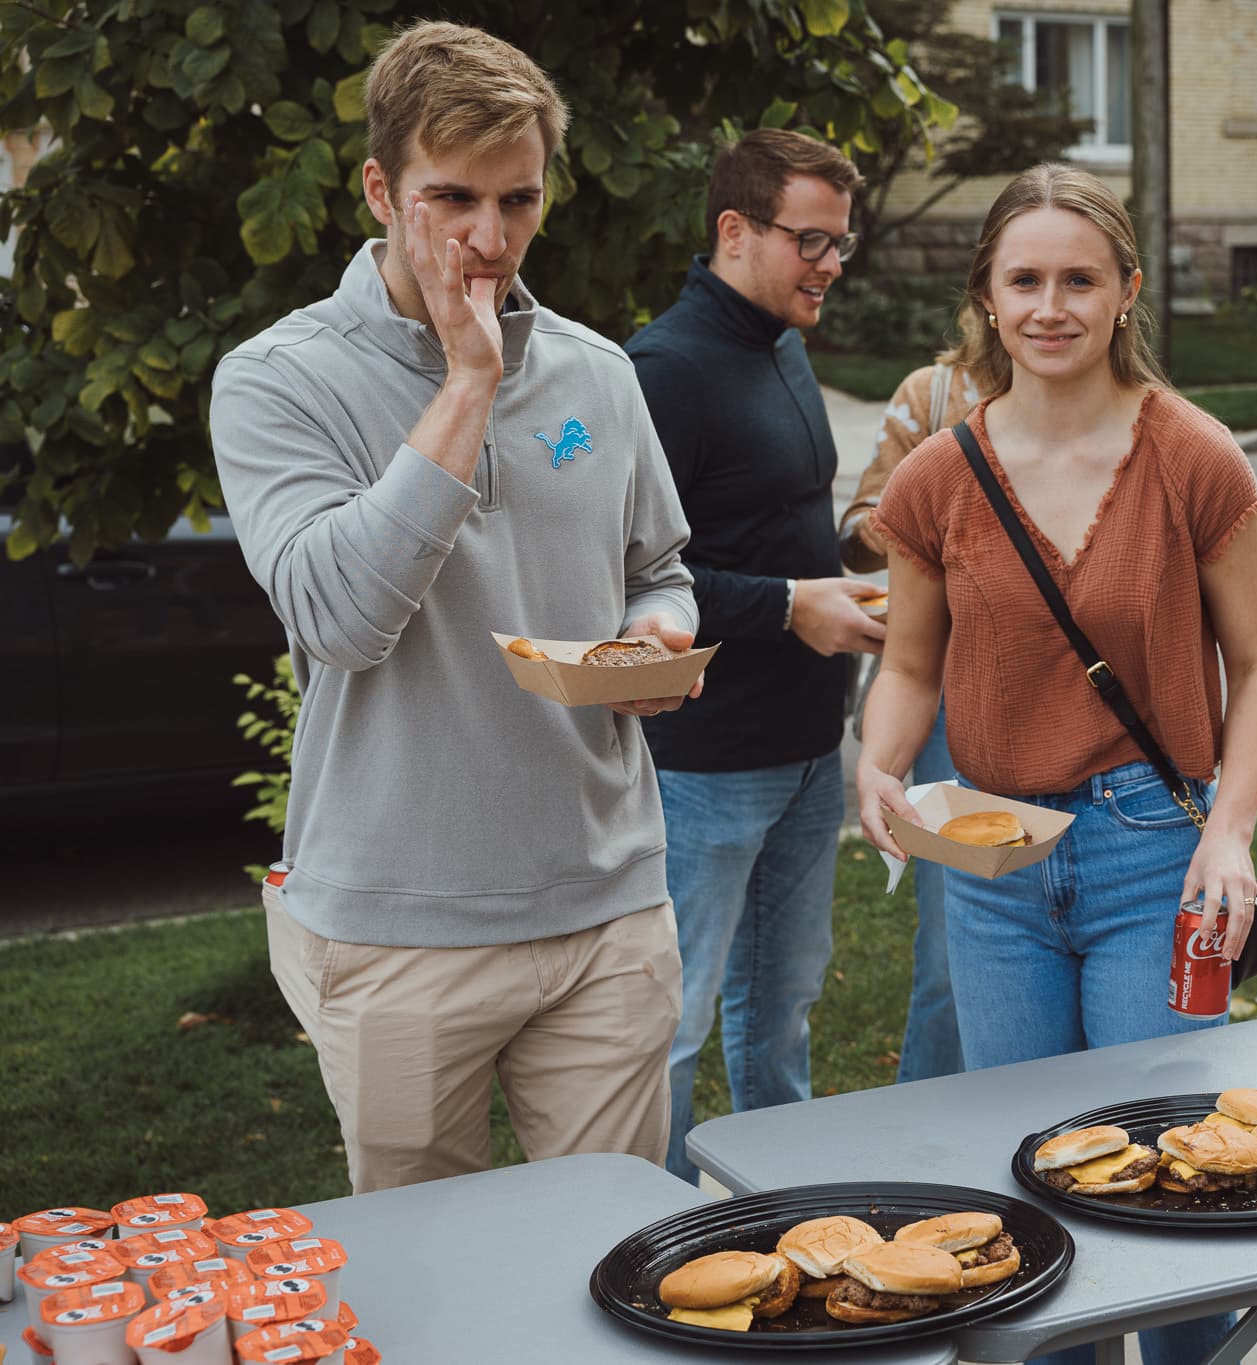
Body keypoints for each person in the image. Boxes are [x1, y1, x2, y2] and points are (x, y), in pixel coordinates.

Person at [211, 21, 698, 1194]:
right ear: (381, 189)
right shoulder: (278, 379)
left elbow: (661, 566)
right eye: (452, 198)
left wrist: (660, 633)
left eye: (519, 200)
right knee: (432, 1289)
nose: (489, 239)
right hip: (395, 925)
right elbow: (337, 618)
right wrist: (468, 380)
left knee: (613, 1258)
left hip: (605, 909)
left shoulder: (597, 373)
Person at [856, 163, 1257, 1365]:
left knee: (1163, 1167)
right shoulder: (936, 476)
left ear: (1124, 292)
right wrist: (878, 765)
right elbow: (905, 665)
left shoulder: (1192, 459)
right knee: (1031, 1183)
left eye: (1077, 280)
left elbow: (1255, 668)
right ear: (986, 300)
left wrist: (1229, 829)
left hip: (1149, 849)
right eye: (1024, 280)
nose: (1050, 306)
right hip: (986, 862)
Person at [627, 130, 882, 1182]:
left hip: (807, 753)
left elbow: (773, 523)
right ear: (734, 232)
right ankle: (642, 1228)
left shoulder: (780, 338)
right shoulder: (661, 369)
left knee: (780, 1012)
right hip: (705, 766)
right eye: (809, 242)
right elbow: (623, 573)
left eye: (840, 244)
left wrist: (857, 562)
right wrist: (787, 607)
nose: (828, 265)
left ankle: (779, 1211)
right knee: (672, 1026)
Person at [840, 353, 985, 1083]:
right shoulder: (935, 395)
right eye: (1022, 281)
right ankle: (929, 1131)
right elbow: (858, 526)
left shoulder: (1122, 407)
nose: (1048, 309)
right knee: (951, 955)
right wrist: (932, 512)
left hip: (1084, 715)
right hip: (952, 695)